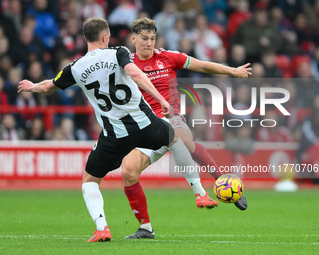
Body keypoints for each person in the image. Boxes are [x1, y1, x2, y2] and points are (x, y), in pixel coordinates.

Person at [17, 17, 207, 243]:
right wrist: (161, 101)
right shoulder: (118, 52)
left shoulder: (75, 67)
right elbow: (136, 74)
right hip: (144, 123)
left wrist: (32, 87)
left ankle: (102, 228)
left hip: (114, 135)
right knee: (176, 139)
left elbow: (48, 87)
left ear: (86, 38)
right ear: (105, 36)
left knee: (89, 181)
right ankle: (200, 194)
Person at [121, 18, 252, 239]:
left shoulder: (168, 57)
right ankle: (145, 228)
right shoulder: (125, 64)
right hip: (144, 127)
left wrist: (233, 71)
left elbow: (203, 65)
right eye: (144, 38)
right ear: (133, 39)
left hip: (171, 117)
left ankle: (222, 181)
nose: (149, 43)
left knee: (182, 139)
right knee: (128, 172)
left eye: (152, 38)